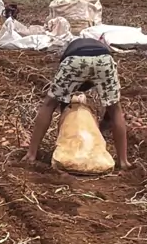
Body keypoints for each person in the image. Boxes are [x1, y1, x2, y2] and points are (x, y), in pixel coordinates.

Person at [24, 36, 130, 169]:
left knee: (49, 104)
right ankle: (123, 161)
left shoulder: (69, 52)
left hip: (75, 60)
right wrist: (104, 123)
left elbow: (63, 103)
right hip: (104, 60)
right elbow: (110, 110)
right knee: (115, 109)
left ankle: (31, 154)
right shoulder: (98, 48)